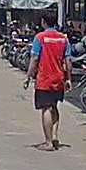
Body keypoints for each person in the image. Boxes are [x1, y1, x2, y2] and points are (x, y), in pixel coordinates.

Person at [25, 22, 73, 151]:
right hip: (59, 79)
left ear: (43, 22)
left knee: (46, 108)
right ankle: (55, 137)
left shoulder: (40, 37)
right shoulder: (63, 39)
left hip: (44, 79)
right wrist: (68, 78)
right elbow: (68, 61)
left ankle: (48, 142)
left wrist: (29, 76)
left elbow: (35, 58)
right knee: (54, 106)